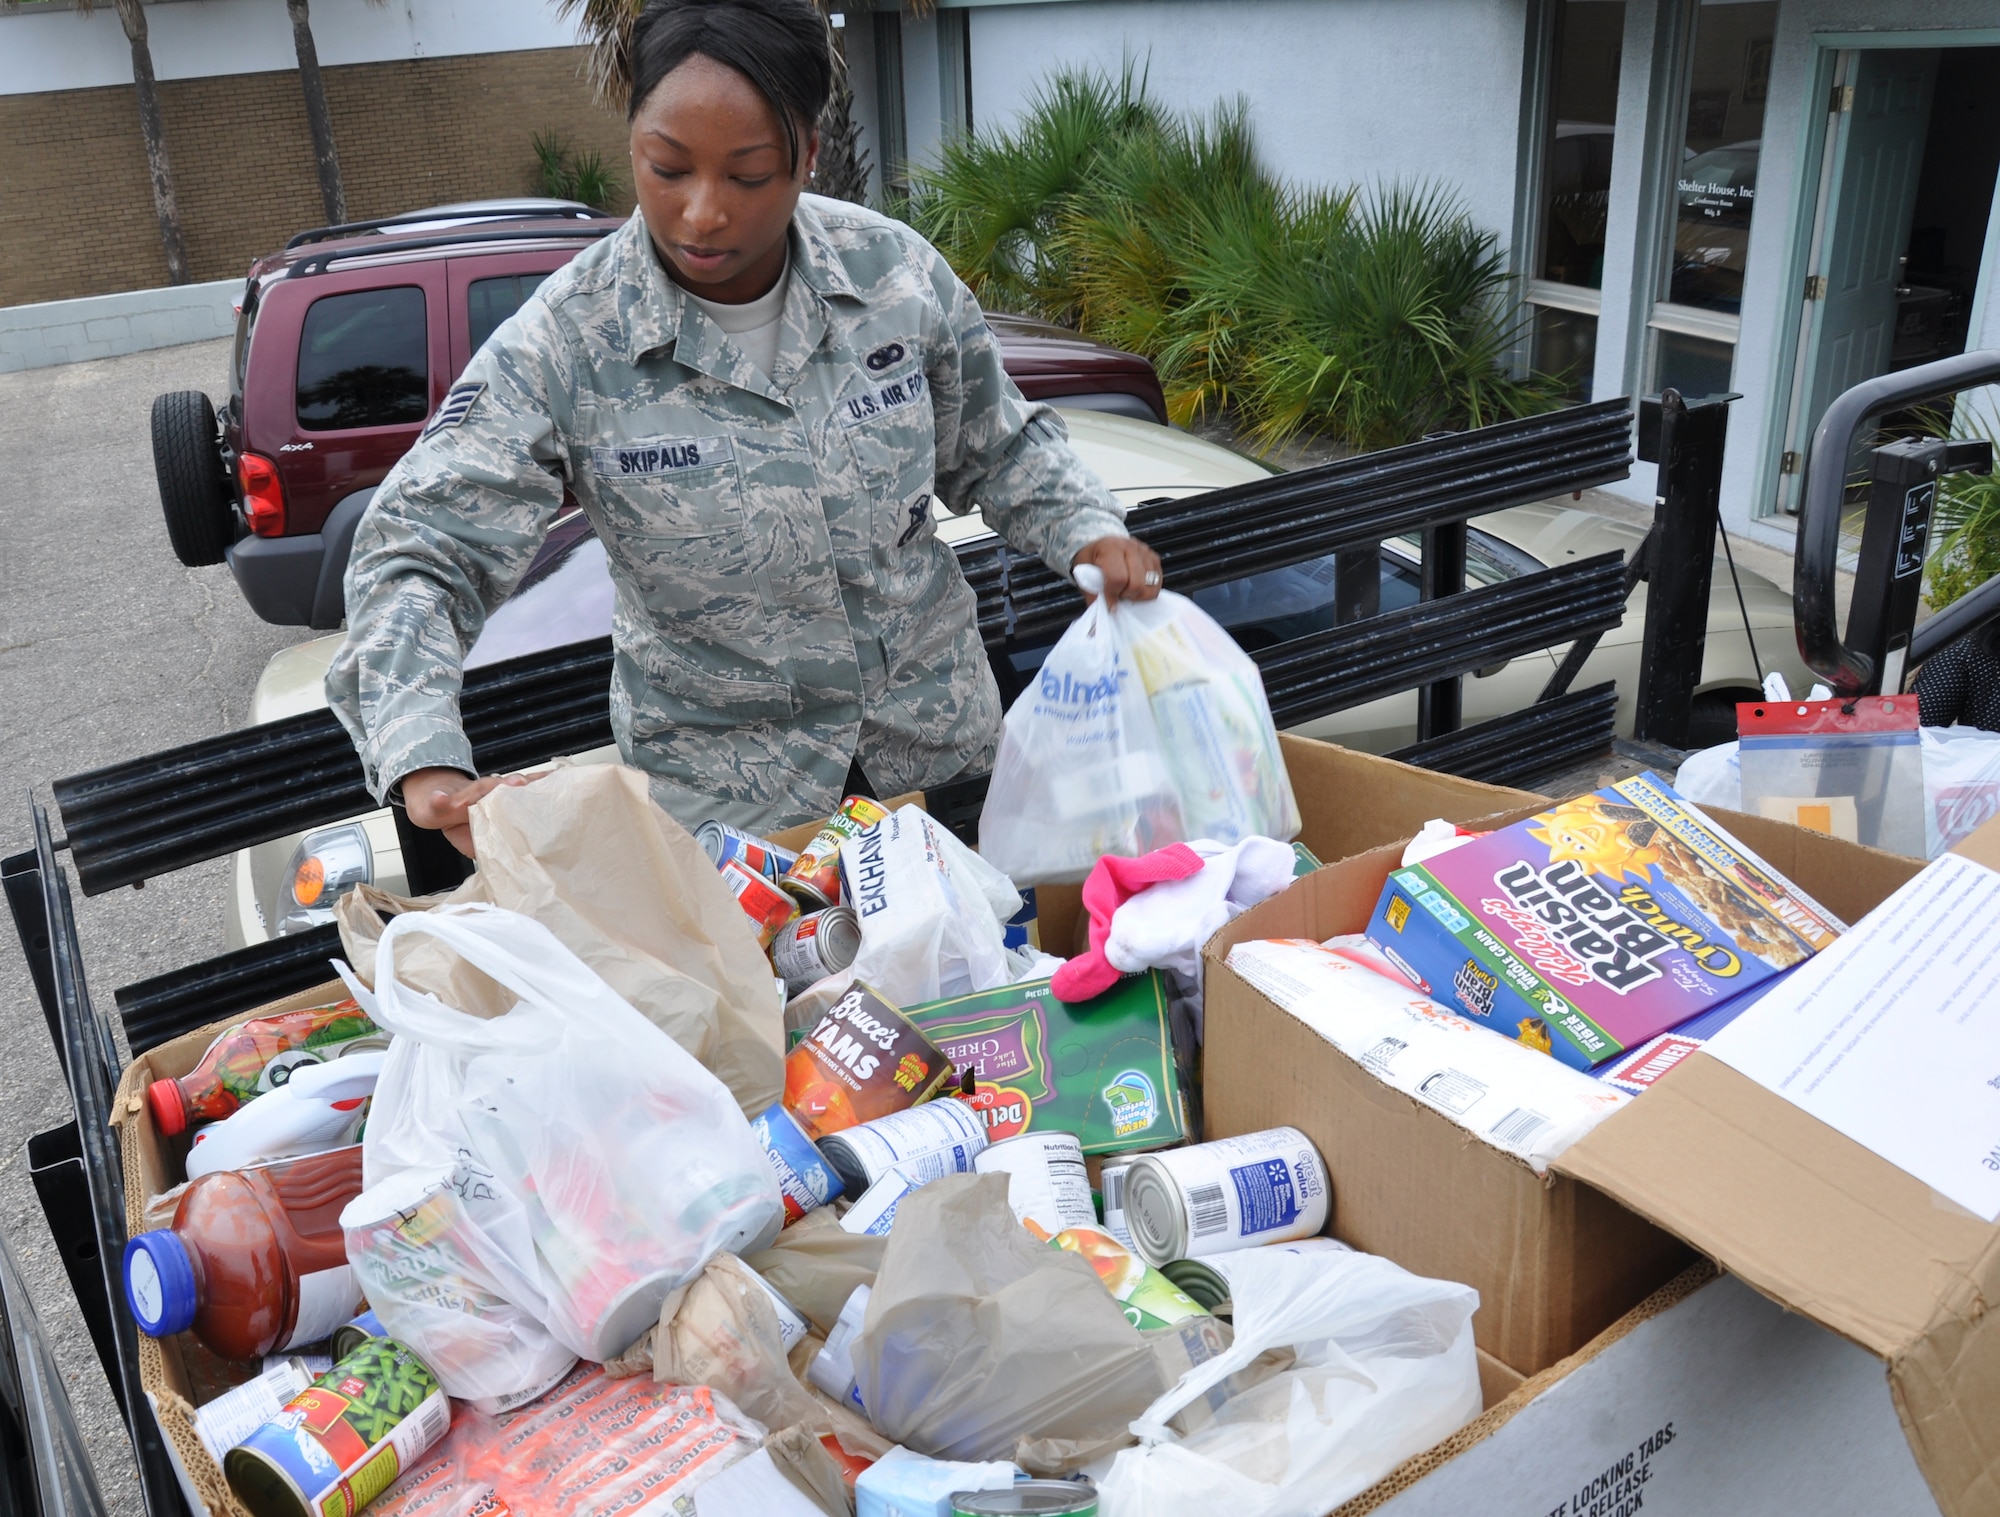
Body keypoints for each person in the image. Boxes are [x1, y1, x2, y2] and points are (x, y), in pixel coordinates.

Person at [326, 0, 1162, 857]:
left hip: (941, 777)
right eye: (667, 168)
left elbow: (1001, 444)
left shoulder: (894, 277)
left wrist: (1087, 529)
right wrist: (422, 753)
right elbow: (421, 550)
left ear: (804, 156)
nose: (701, 213)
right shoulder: (569, 340)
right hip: (738, 827)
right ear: (633, 143)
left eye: (747, 174)